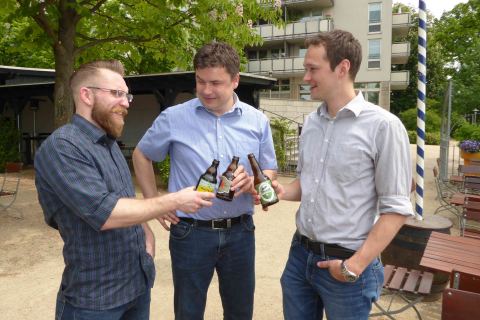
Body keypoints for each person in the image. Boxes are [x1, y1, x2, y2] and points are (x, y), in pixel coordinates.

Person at [34, 60, 214, 320]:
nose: (127, 102)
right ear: (86, 95)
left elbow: (125, 200)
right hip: (95, 301)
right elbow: (105, 212)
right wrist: (175, 199)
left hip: (136, 289)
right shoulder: (63, 147)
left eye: (126, 95)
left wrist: (147, 238)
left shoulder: (109, 144)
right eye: (117, 94)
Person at [270, 30, 414, 320]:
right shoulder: (311, 123)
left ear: (342, 68)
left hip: (347, 264)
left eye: (312, 69)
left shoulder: (384, 126)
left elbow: (396, 210)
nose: (306, 77)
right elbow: (307, 183)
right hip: (300, 256)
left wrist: (355, 266)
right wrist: (282, 191)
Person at [133, 41, 277, 320]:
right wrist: (155, 203)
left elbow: (269, 169)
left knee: (240, 312)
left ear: (235, 81)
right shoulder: (174, 118)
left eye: (216, 83)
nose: (206, 90)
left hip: (241, 233)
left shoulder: (258, 121)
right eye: (200, 81)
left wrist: (254, 184)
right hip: (191, 233)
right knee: (188, 312)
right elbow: (142, 155)